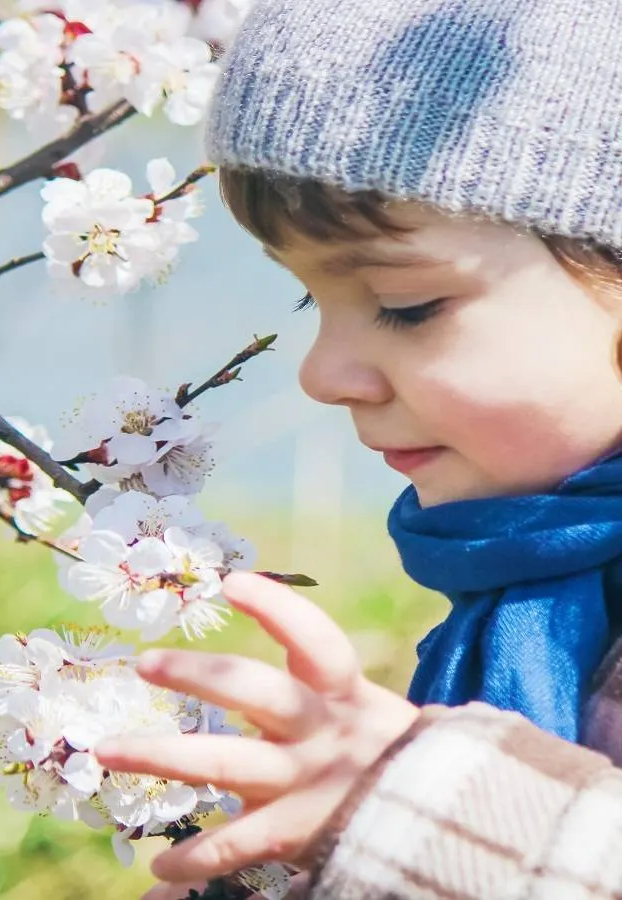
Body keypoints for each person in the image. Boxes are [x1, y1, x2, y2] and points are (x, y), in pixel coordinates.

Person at [93, 0, 622, 896]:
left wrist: (406, 800)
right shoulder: (524, 598)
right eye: (310, 301)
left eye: (407, 306)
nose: (324, 373)